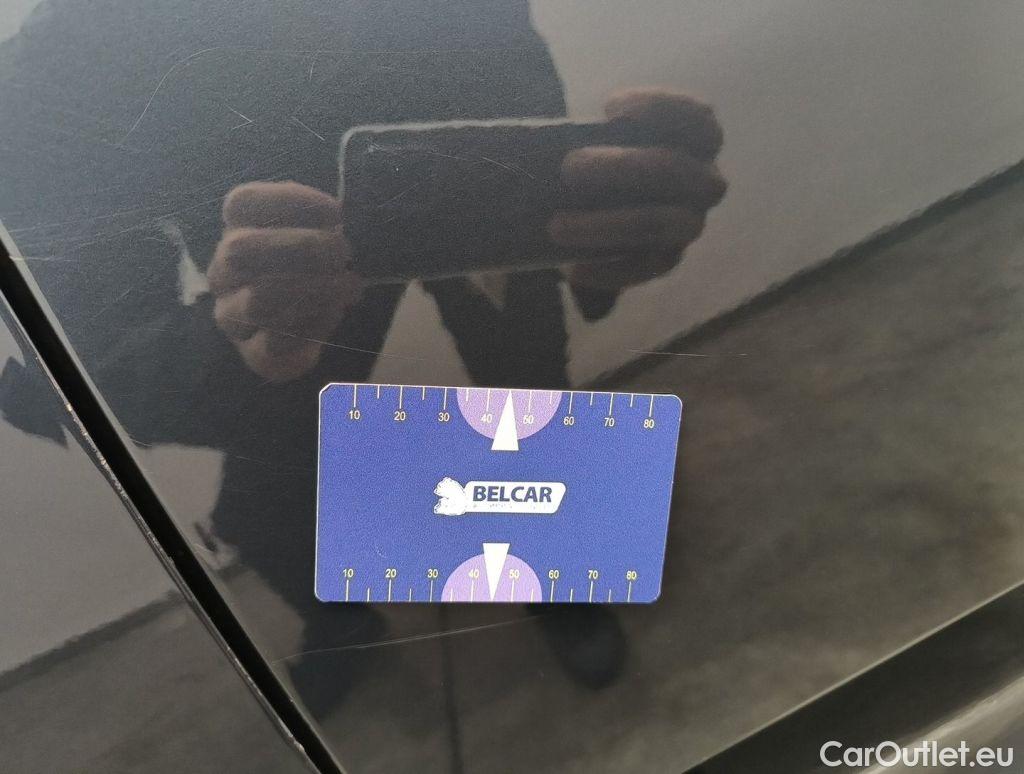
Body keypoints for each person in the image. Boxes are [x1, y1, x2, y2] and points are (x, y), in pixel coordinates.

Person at [0, 0, 724, 718]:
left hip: (472, 192)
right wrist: (238, 338)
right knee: (269, 493)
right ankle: (341, 616)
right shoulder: (55, 66)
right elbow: (105, 362)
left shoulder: (52, 68)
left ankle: (551, 582)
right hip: (288, 270)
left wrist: (579, 221)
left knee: (528, 391)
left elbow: (504, 42)